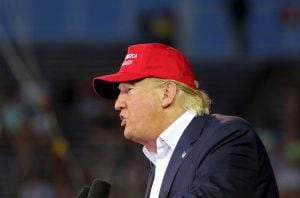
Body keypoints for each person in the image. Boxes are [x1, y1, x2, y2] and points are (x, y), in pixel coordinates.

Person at [92, 43, 279, 198]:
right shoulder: (162, 159)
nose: (117, 104)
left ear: (167, 93)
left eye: (128, 90)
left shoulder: (229, 135)